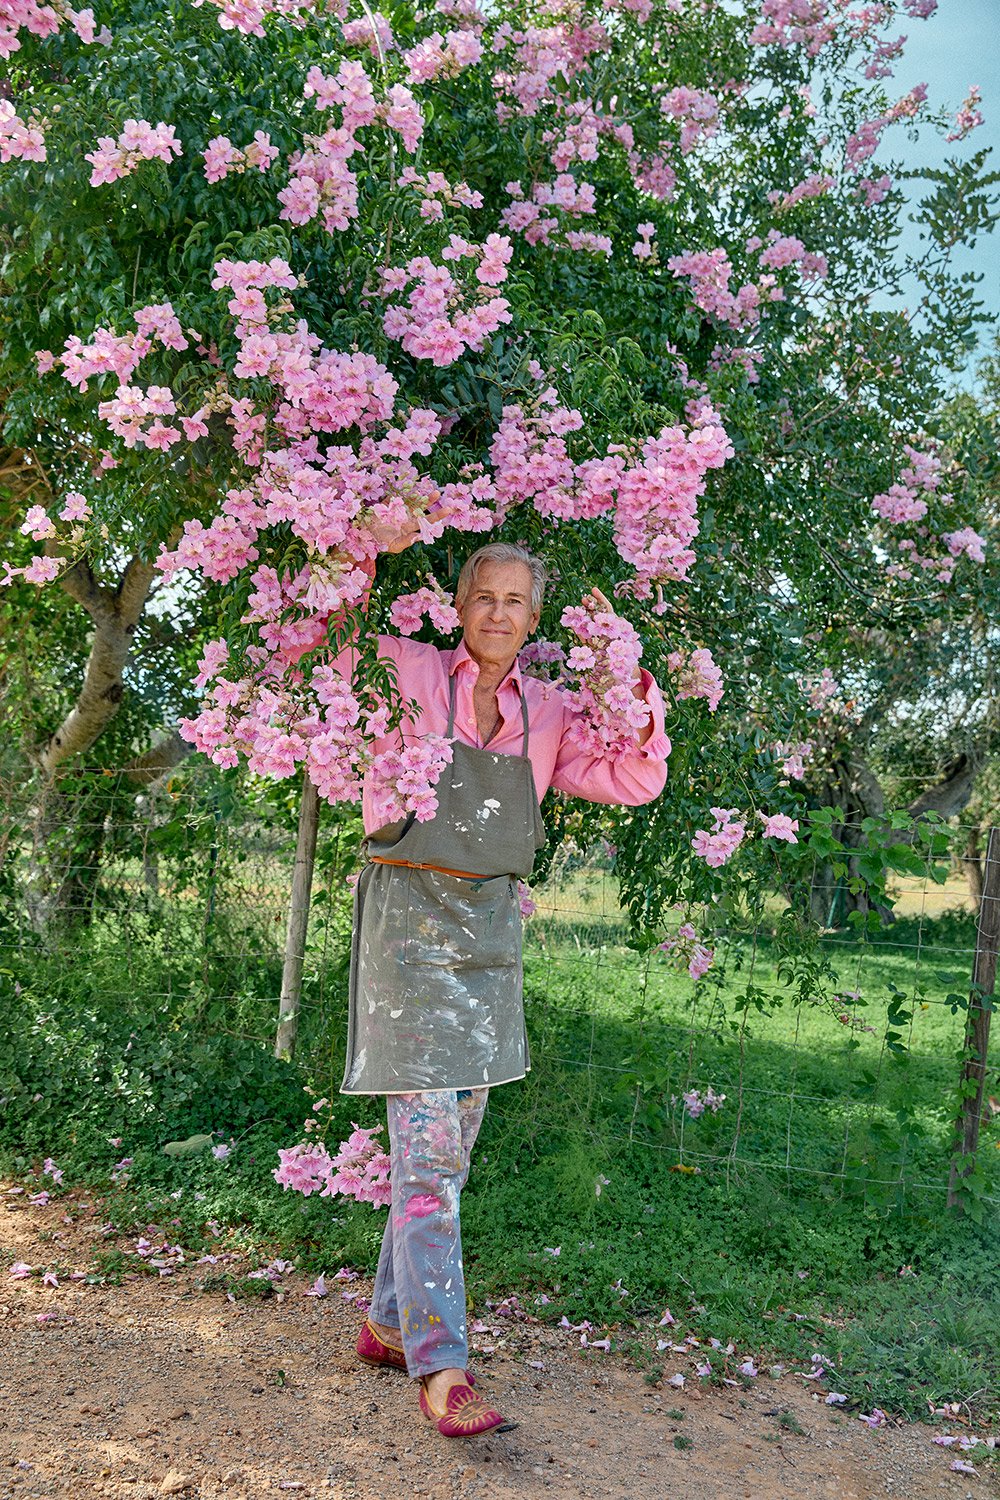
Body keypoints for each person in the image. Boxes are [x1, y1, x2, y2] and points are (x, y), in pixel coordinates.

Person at [328, 528, 670, 1436]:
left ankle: (387, 1324)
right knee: (431, 1155)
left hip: (488, 934)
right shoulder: (403, 669)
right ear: (458, 603)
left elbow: (636, 777)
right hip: (407, 925)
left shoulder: (550, 711)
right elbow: (320, 644)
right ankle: (443, 1368)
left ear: (534, 617)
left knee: (452, 1152)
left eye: (516, 600)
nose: (497, 613)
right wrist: (361, 546)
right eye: (484, 595)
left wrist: (629, 675)